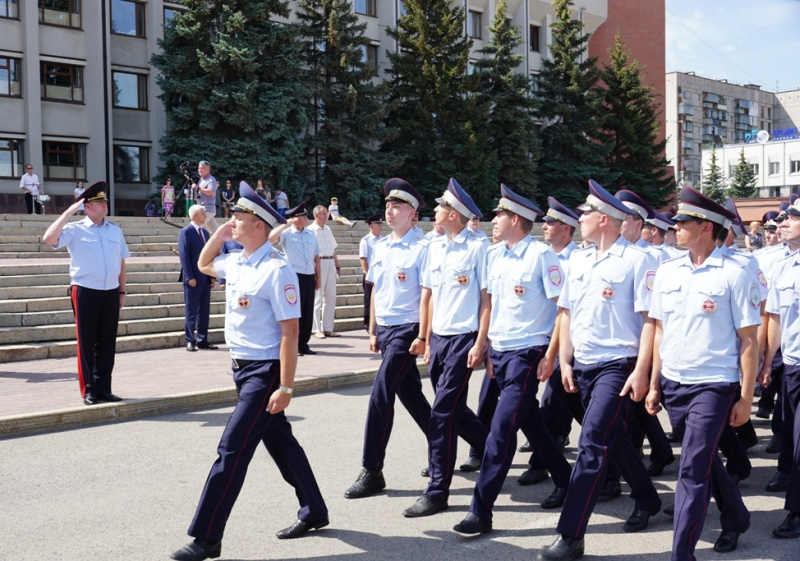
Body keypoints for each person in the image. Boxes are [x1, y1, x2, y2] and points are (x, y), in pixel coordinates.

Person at [170, 181, 329, 561]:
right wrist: (219, 234)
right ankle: (315, 509)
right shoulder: (237, 261)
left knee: (231, 449)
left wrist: (286, 387)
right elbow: (203, 264)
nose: (232, 224)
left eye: (238, 219)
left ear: (259, 225)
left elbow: (290, 332)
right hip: (241, 369)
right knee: (281, 443)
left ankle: (207, 538)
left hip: (266, 371)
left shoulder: (277, 270)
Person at [538, 180, 661, 561]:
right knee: (613, 439)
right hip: (584, 363)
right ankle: (646, 495)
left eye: (587, 212)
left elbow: (650, 322)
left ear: (605, 220)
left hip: (617, 363)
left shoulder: (638, 261)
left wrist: (642, 371)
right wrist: (563, 360)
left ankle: (571, 535)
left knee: (591, 441)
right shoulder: (579, 259)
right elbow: (568, 313)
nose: (581, 218)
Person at [646, 186, 759, 560]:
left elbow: (748, 341)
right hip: (674, 381)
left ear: (707, 227)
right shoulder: (667, 271)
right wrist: (653, 383)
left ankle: (682, 554)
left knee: (692, 469)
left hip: (714, 383)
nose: (674, 226)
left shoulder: (735, 273)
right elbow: (660, 329)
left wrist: (745, 396)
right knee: (705, 457)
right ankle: (736, 515)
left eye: (683, 221)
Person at [453, 184, 571, 534]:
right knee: (530, 420)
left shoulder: (541, 256)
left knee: (501, 432)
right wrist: (486, 346)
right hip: (502, 353)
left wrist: (551, 354)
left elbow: (563, 308)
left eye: (499, 215)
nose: (493, 220)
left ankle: (480, 511)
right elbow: (491, 305)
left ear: (516, 219)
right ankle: (565, 477)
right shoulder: (494, 255)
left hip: (528, 353)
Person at [403, 178, 490, 518]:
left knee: (441, 414)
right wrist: (425, 338)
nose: (435, 210)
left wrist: (481, 342)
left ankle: (438, 490)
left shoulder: (478, 247)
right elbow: (429, 294)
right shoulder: (435, 247)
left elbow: (486, 298)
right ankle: (492, 450)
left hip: (463, 339)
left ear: (453, 215)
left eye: (440, 207)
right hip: (439, 340)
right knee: (453, 409)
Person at [344, 178, 432, 499]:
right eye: (387, 206)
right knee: (412, 397)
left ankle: (372, 469)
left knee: (381, 393)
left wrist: (424, 336)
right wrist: (372, 329)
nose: (389, 211)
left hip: (408, 330)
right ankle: (448, 447)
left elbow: (428, 295)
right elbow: (376, 291)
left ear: (412, 214)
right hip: (386, 330)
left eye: (396, 207)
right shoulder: (380, 247)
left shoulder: (422, 249)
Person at [518, 196, 585, 486]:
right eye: (544, 221)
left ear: (567, 229)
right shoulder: (543, 255)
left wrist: (558, 353)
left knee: (553, 401)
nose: (544, 226)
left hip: (565, 343)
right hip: (543, 340)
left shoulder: (577, 259)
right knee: (572, 405)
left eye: (551, 222)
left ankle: (542, 462)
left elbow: (565, 310)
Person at [42, 182, 129, 405]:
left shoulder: (115, 230)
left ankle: (104, 388)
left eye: (105, 201)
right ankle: (89, 390)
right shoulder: (74, 229)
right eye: (100, 202)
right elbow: (49, 239)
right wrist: (68, 212)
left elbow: (121, 262)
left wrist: (121, 291)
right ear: (87, 207)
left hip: (110, 292)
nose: (104, 205)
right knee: (87, 342)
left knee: (107, 343)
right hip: (85, 291)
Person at [760, 196, 800, 540]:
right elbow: (775, 318)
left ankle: (796, 512)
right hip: (792, 364)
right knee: (789, 429)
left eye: (792, 217)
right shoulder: (785, 266)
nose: (783, 222)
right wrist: (768, 361)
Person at [269, 201, 321, 356]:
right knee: (294, 311)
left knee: (307, 311)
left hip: (309, 275)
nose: (306, 218)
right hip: (294, 276)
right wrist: (286, 224)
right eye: (303, 216)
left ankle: (303, 343)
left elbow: (316, 258)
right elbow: (271, 238)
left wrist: (318, 277)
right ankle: (294, 345)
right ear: (295, 218)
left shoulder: (311, 234)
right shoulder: (286, 234)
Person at [179, 205, 218, 352]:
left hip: (205, 279)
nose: (205, 215)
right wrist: (189, 276)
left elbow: (209, 256)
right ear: (195, 215)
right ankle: (190, 340)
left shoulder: (206, 234)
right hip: (192, 279)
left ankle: (203, 339)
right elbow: (184, 256)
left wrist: (211, 275)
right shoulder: (186, 232)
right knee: (191, 310)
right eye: (203, 213)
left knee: (204, 310)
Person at [308, 205, 340, 339]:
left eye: (326, 214)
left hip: (330, 262)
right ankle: (316, 329)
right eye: (323, 214)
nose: (326, 216)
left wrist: (337, 265)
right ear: (316, 215)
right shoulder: (310, 230)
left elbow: (333, 249)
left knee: (331, 296)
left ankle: (328, 328)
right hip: (319, 263)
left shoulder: (328, 229)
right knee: (318, 297)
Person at [359, 213, 383, 330]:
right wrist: (367, 274)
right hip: (369, 274)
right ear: (371, 226)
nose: (381, 226)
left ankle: (378, 321)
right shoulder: (366, 240)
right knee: (369, 299)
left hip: (380, 274)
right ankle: (368, 323)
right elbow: (363, 258)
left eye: (380, 224)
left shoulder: (384, 240)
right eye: (378, 224)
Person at [193, 160, 218, 232]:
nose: (200, 170)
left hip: (207, 210)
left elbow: (211, 192)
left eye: (202, 168)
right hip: (203, 209)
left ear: (208, 170)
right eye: (199, 168)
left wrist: (198, 188)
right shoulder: (201, 179)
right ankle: (224, 242)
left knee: (196, 228)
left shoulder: (211, 179)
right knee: (216, 233)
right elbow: (202, 192)